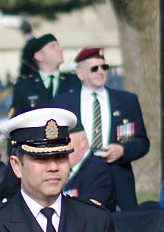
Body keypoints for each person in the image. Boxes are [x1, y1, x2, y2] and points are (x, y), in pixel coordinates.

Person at [52, 47, 150, 210]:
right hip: (79, 178)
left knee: (123, 230)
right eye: (94, 68)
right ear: (80, 73)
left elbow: (142, 142)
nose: (101, 72)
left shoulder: (127, 101)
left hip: (118, 178)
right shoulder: (62, 103)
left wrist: (122, 150)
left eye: (104, 67)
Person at [10, 34, 80, 117]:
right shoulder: (24, 86)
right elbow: (15, 120)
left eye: (59, 45)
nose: (59, 49)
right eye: (52, 46)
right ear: (38, 56)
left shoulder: (74, 81)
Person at [64, 122, 116, 211]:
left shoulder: (96, 171)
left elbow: (89, 212)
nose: (63, 149)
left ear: (82, 142)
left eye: (66, 143)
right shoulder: (68, 169)